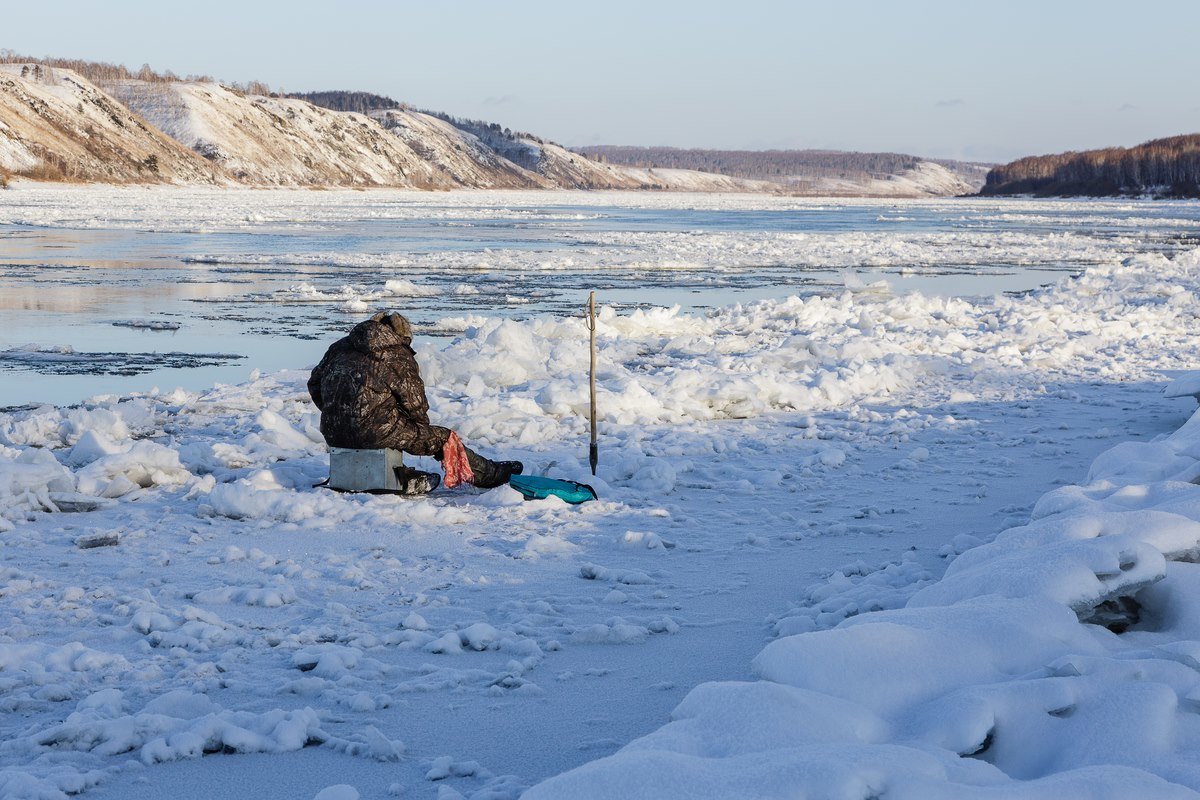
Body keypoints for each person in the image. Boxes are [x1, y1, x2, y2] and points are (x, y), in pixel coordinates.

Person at [307, 311, 522, 490]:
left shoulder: (339, 347)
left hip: (333, 432)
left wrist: (337, 410)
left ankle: (399, 475)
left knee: (391, 430)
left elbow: (314, 384)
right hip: (376, 431)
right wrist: (420, 429)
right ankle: (491, 474)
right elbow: (415, 403)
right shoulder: (397, 354)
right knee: (444, 438)